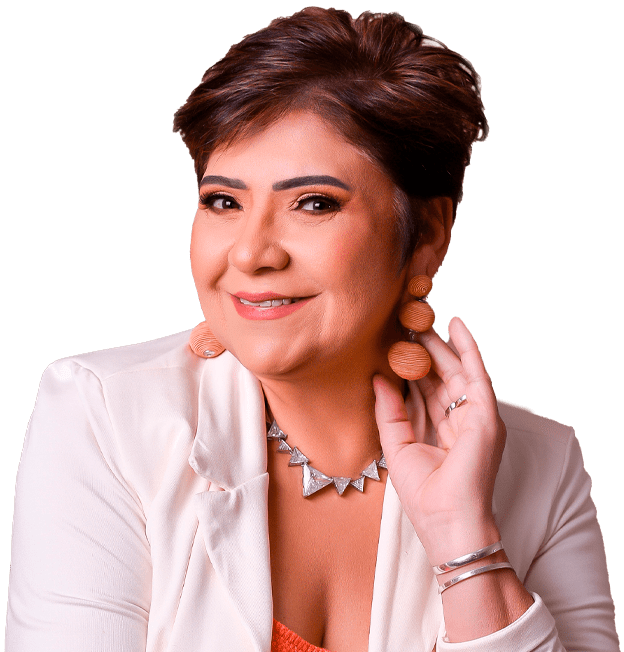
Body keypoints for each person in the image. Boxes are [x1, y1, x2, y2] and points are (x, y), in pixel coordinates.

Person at [5, 7, 618, 652]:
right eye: (223, 201)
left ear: (428, 235)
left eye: (314, 203)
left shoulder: (544, 464)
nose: (250, 253)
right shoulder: (104, 414)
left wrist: (467, 544)